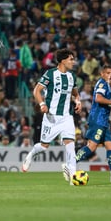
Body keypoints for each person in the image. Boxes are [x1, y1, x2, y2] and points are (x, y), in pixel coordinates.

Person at [22, 49, 82, 185]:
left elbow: (76, 94)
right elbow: (36, 90)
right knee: (43, 146)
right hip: (51, 117)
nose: (73, 62)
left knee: (70, 146)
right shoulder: (50, 74)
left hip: (67, 117)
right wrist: (42, 104)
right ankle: (31, 154)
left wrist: (78, 101)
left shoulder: (72, 76)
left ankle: (73, 177)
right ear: (62, 61)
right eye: (71, 59)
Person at [74, 64, 111, 183]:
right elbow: (98, 99)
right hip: (97, 120)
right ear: (102, 74)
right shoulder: (101, 83)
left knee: (110, 146)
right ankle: (71, 164)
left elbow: (104, 102)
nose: (110, 75)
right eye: (108, 73)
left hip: (104, 121)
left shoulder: (108, 86)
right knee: (92, 146)